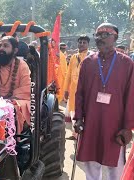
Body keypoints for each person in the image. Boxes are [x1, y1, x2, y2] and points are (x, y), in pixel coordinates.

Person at [73, 23, 134, 180]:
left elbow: (131, 97)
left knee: (115, 166)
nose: (100, 38)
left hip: (115, 124)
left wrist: (128, 127)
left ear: (115, 37)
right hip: (91, 121)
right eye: (97, 35)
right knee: (91, 164)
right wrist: (79, 117)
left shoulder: (127, 64)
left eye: (105, 34)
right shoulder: (87, 62)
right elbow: (79, 93)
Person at [63, 35, 91, 125]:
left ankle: (82, 135)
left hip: (86, 90)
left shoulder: (91, 56)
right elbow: (68, 74)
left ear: (88, 44)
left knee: (85, 110)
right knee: (73, 110)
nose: (82, 44)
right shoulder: (73, 57)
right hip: (73, 90)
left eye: (84, 42)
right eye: (80, 42)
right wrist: (66, 90)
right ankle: (75, 134)